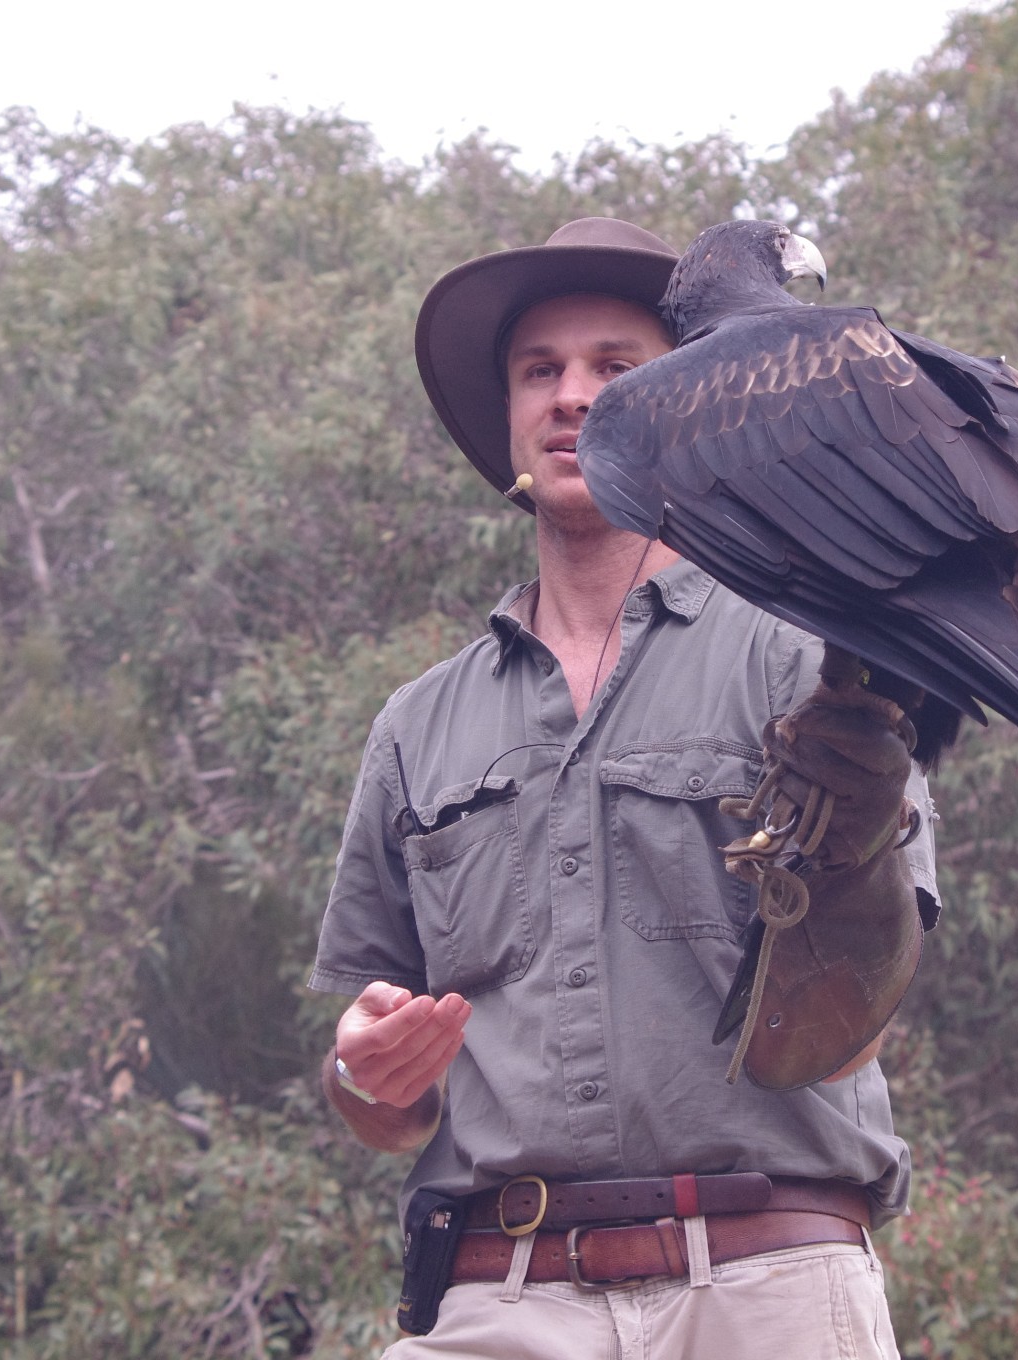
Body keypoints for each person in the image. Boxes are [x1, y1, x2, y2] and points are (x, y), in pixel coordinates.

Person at [309, 217, 937, 1359]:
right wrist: (364, 1066)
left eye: (616, 367)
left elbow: (866, 992)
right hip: (501, 1297)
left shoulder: (804, 656)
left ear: (689, 407)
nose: (570, 396)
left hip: (769, 1286)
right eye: (537, 370)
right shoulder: (417, 726)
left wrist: (848, 854)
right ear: (506, 417)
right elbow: (378, 1102)